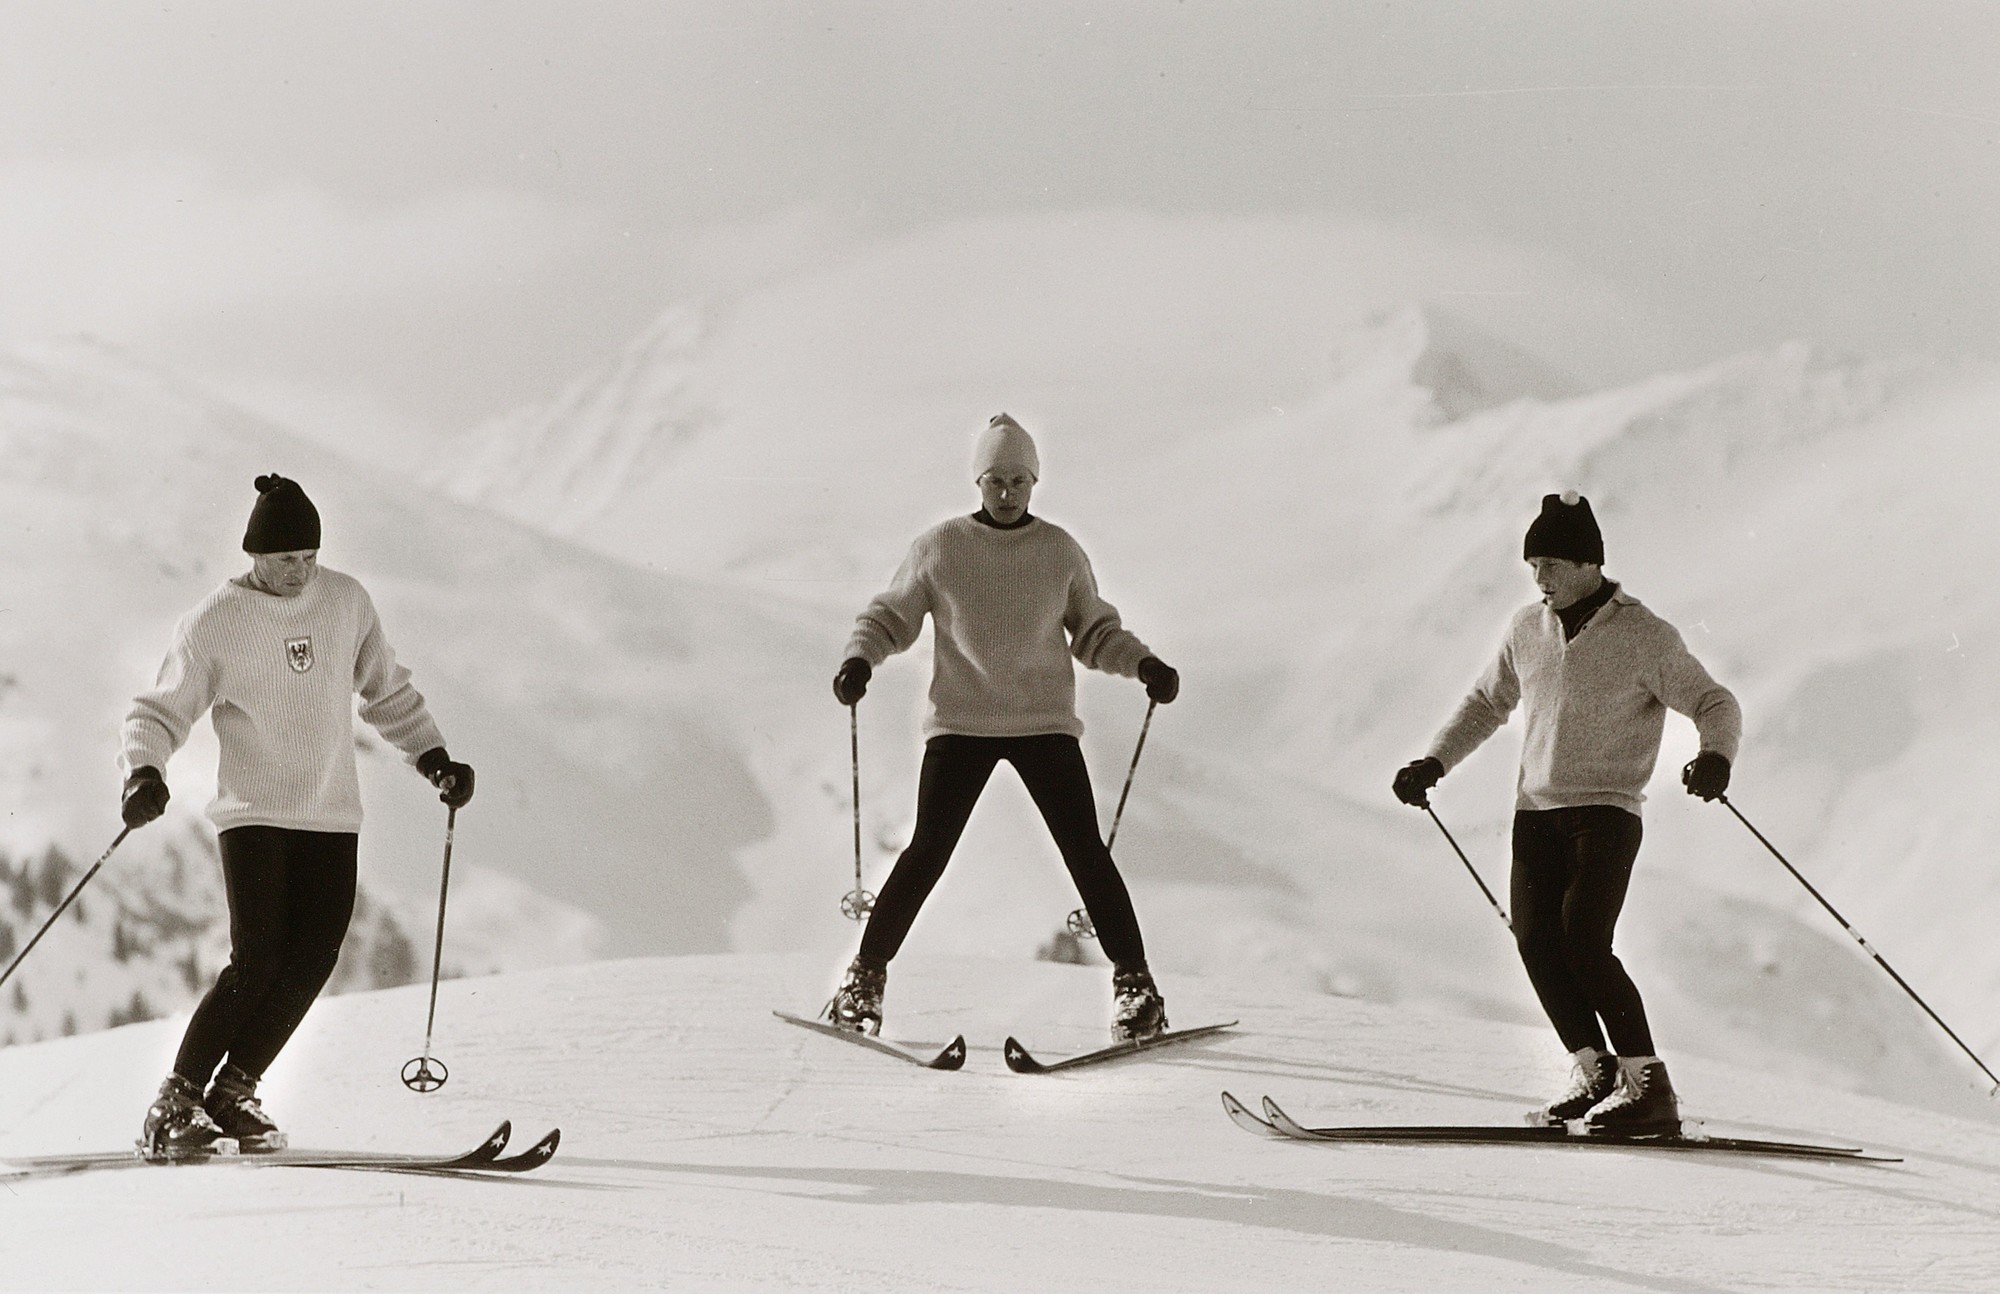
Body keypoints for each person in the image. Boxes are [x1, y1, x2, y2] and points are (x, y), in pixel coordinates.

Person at [119, 475, 474, 1159]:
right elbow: (160, 709)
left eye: (309, 556)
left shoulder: (345, 602)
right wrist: (144, 769)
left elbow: (386, 690)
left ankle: (234, 1092)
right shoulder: (215, 621)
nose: (300, 571)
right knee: (257, 960)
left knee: (313, 956)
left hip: (330, 811)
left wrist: (434, 758)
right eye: (287, 559)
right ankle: (176, 1102)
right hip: (253, 811)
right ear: (255, 554)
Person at [1392, 491, 1740, 1134]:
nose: (1539, 579)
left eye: (1550, 564)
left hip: (1605, 811)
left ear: (1588, 564)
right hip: (1536, 812)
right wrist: (1433, 763)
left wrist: (1715, 755)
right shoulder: (1527, 628)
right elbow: (1484, 704)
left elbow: (1714, 702)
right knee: (1536, 944)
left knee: (1584, 939)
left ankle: (1649, 1087)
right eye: (1532, 566)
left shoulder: (1645, 635)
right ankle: (1596, 1070)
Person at [827, 414, 1181, 1042]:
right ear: (978, 481)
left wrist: (1144, 663)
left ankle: (1137, 991)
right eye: (996, 480)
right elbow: (891, 617)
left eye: (1020, 480)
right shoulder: (941, 547)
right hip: (960, 724)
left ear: (1035, 481)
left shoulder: (1058, 551)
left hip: (1043, 723)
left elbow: (1095, 632)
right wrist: (859, 659)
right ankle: (862, 982)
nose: (1008, 492)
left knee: (1086, 855)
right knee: (926, 854)